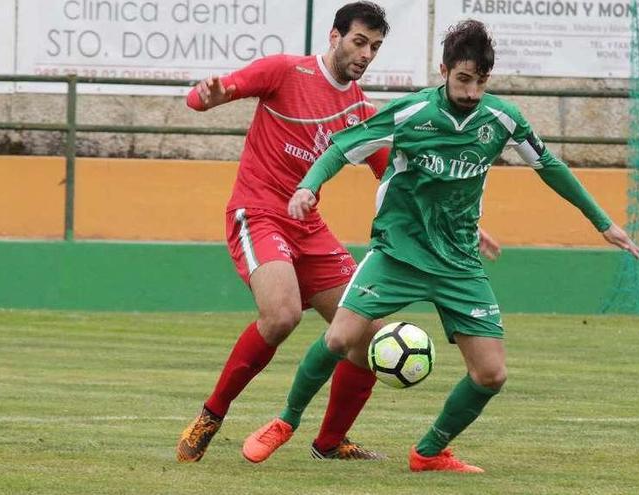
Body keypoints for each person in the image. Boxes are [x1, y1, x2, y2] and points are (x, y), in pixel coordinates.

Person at [241, 19, 639, 473]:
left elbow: (549, 166)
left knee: (491, 375)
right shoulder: (412, 113)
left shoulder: (501, 119)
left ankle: (429, 451)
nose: (471, 91)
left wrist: (602, 222)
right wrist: (308, 187)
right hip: (398, 254)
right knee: (339, 337)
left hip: (458, 263)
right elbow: (341, 147)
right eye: (463, 79)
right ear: (444, 70)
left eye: (480, 81)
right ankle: (285, 421)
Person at [176, 2, 501, 463]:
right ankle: (211, 414)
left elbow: (393, 171)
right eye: (359, 41)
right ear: (334, 36)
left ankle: (329, 443)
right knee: (282, 313)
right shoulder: (285, 72)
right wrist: (205, 97)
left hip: (309, 226)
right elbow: (204, 97)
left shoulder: (359, 108)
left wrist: (456, 217)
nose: (366, 54)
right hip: (260, 213)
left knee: (368, 329)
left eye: (375, 46)